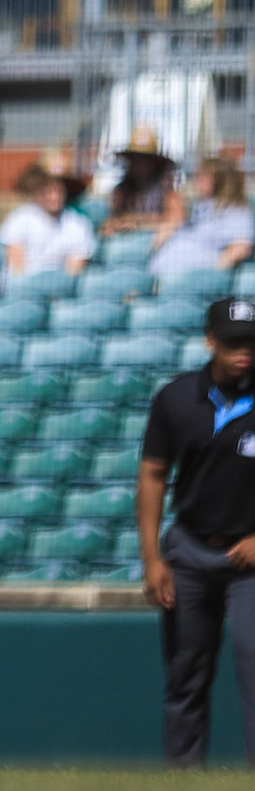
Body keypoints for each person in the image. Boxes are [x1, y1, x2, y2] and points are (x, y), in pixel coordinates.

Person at [138, 297, 255, 765]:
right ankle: (181, 787)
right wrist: (152, 559)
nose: (242, 351)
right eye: (232, 342)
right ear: (210, 342)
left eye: (249, 342)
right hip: (189, 551)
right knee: (186, 673)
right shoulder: (176, 398)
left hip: (250, 559)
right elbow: (151, 475)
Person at [150, 157, 254, 278]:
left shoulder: (235, 211)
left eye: (204, 177)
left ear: (220, 180)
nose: (197, 181)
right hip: (168, 270)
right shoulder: (201, 206)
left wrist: (213, 273)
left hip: (195, 276)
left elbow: (240, 248)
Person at [0, 163, 97, 281]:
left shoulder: (78, 224)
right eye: (48, 191)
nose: (54, 196)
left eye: (58, 190)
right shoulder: (19, 219)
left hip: (59, 290)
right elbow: (16, 269)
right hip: (24, 291)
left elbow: (74, 271)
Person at [105, 128, 180, 235]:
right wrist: (115, 225)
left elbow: (177, 220)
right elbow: (112, 219)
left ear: (154, 162)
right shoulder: (122, 190)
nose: (139, 164)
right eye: (135, 158)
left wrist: (139, 222)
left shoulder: (166, 188)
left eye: (144, 159)